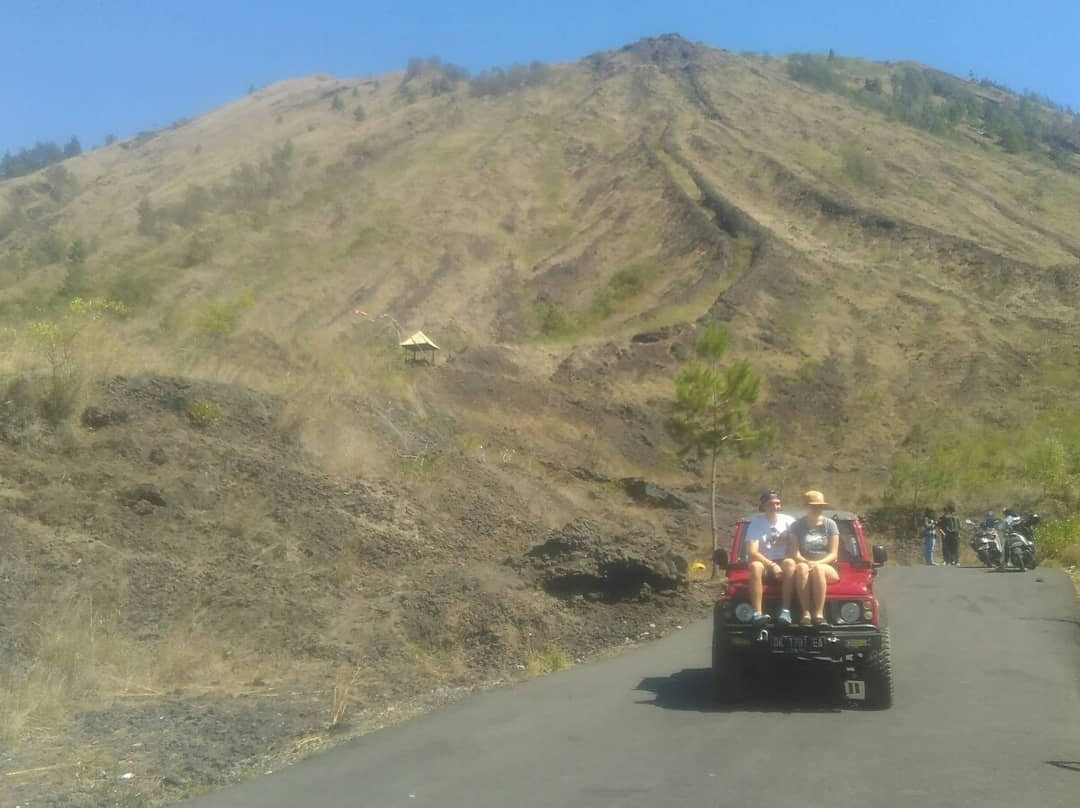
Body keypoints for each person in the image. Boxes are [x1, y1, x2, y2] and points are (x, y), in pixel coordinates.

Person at [784, 490, 840, 627]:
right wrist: (806, 562)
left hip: (826, 565)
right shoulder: (796, 526)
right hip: (804, 563)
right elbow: (795, 552)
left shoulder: (830, 525)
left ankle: (819, 615)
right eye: (814, 506)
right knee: (802, 568)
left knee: (818, 569)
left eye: (820, 506)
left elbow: (833, 554)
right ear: (806, 506)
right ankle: (806, 614)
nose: (817, 509)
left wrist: (816, 563)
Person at [744, 490, 797, 627]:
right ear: (764, 506)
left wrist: (784, 563)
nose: (775, 507)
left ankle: (786, 611)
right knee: (755, 566)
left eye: (778, 503)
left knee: (790, 563)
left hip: (784, 561)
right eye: (771, 504)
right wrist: (773, 566)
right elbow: (752, 552)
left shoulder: (789, 520)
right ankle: (757, 613)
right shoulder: (756, 523)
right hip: (764, 562)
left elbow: (795, 546)